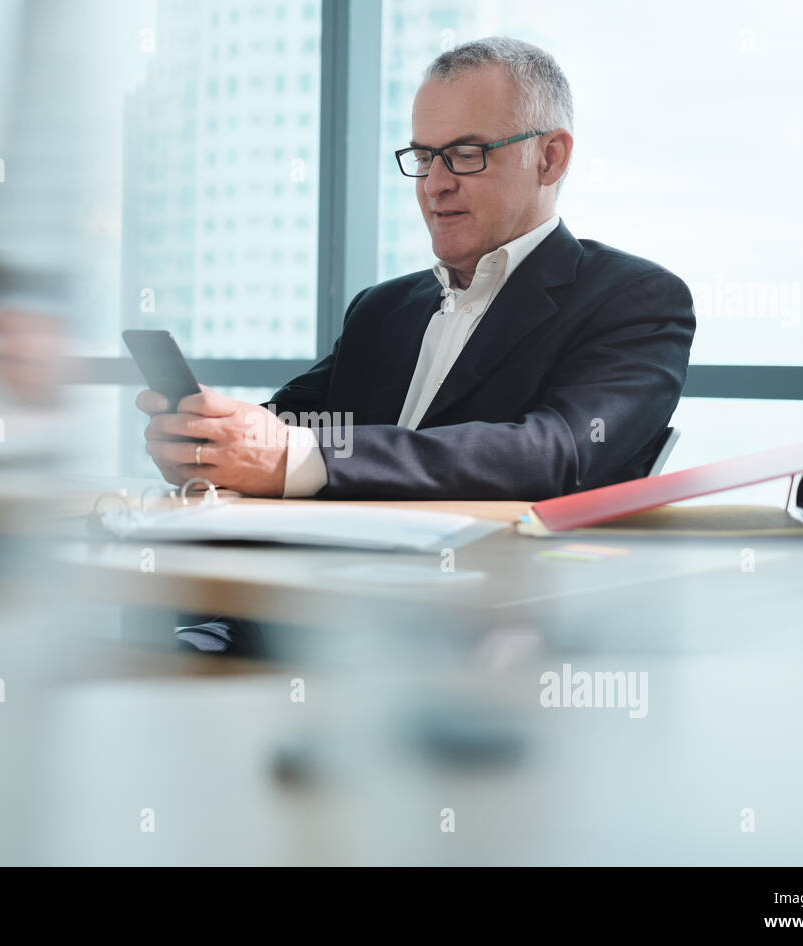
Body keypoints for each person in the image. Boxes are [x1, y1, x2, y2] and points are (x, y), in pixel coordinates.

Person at [137, 37, 696, 651]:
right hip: (286, 618)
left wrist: (295, 459)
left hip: (468, 646)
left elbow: (553, 452)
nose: (434, 185)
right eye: (424, 156)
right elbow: (295, 422)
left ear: (551, 158)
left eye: (464, 154)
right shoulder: (384, 309)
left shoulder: (635, 299)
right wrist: (211, 439)